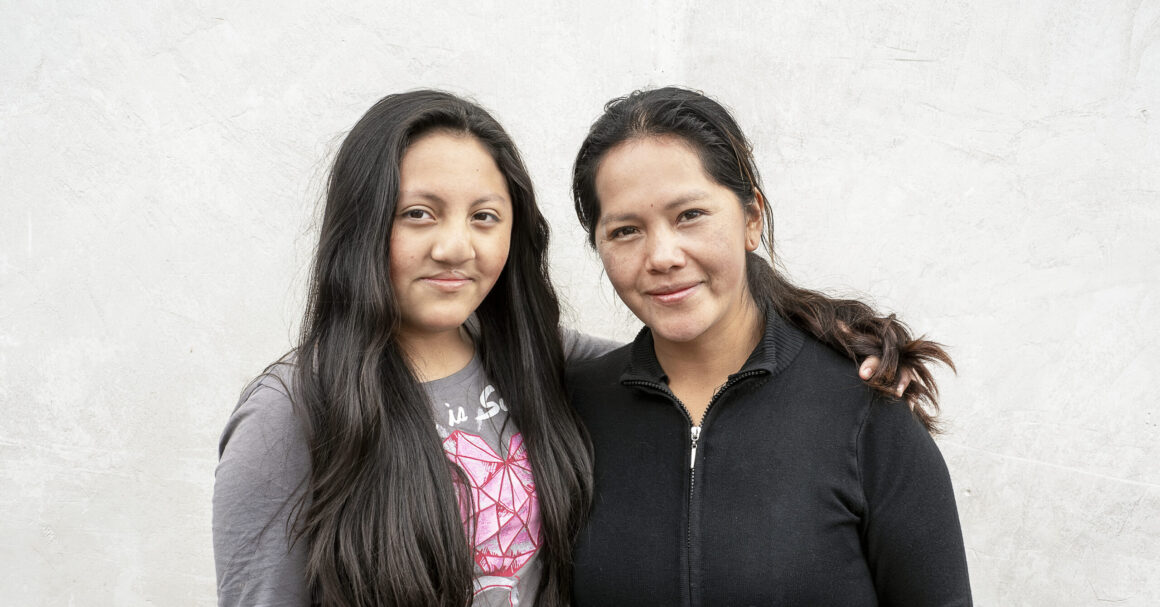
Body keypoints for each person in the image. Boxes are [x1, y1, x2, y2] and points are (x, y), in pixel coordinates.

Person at [213, 90, 923, 606]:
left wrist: (839, 332)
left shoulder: (538, 362)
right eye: (418, 213)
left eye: (484, 216)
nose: (455, 245)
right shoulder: (291, 412)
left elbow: (689, 345)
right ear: (362, 225)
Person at [567, 87, 972, 606]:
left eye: (690, 214)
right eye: (625, 230)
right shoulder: (572, 412)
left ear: (751, 218)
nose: (662, 255)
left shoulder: (866, 407)